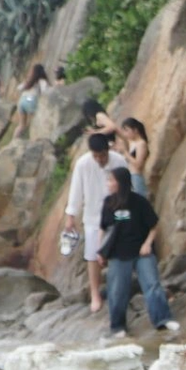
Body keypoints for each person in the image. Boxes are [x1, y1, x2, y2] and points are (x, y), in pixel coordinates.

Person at [98, 167, 180, 338]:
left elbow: (154, 225)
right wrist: (100, 251)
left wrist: (147, 244)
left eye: (111, 180)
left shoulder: (139, 202)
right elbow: (103, 229)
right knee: (117, 291)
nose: (108, 184)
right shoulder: (108, 203)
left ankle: (162, 319)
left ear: (121, 183)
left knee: (152, 285)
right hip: (118, 254)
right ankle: (118, 326)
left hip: (142, 252)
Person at [63, 133, 131, 313]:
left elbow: (127, 187)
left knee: (118, 252)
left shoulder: (119, 161)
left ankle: (117, 290)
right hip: (93, 216)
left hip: (117, 214)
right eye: (96, 156)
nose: (100, 159)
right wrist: (70, 216)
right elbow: (76, 191)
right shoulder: (83, 164)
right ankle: (95, 293)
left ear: (108, 149)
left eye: (102, 155)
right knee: (93, 256)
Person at [118, 118, 152, 196]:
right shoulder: (132, 143)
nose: (125, 133)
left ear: (135, 130)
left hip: (136, 176)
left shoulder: (141, 143)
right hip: (130, 177)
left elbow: (139, 164)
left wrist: (125, 153)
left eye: (127, 130)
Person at [17, 63, 50, 137]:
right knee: (36, 122)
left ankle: (14, 140)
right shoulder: (42, 81)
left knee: (21, 125)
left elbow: (19, 88)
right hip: (31, 100)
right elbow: (46, 91)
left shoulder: (29, 81)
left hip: (22, 101)